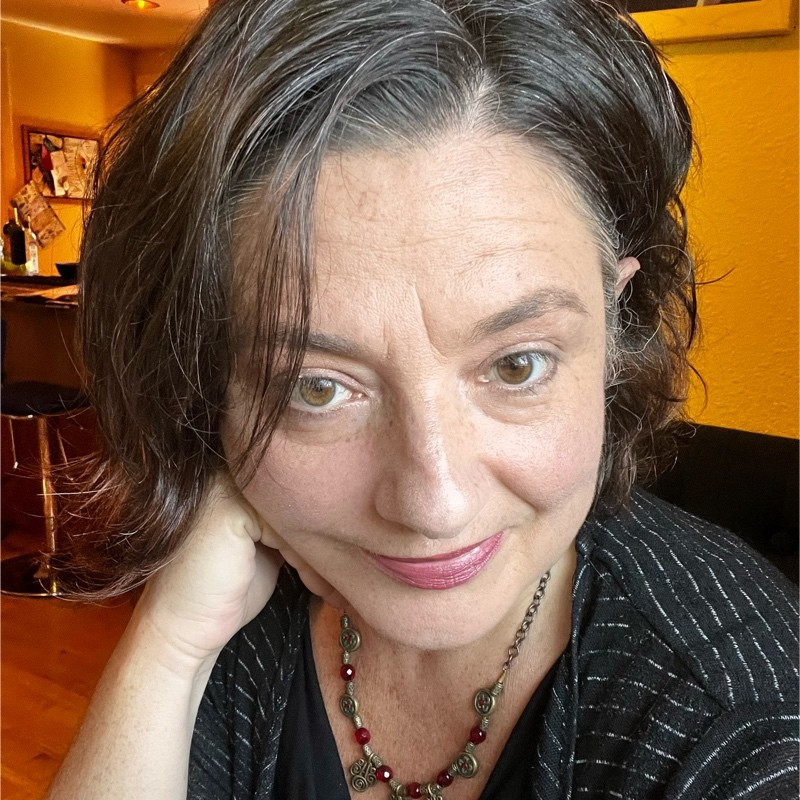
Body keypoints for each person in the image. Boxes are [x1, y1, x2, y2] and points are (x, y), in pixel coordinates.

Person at [47, 1, 798, 798]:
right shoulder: (245, 597)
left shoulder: (751, 737)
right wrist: (170, 646)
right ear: (208, 388)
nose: (433, 506)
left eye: (517, 366)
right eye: (317, 387)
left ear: (614, 327)